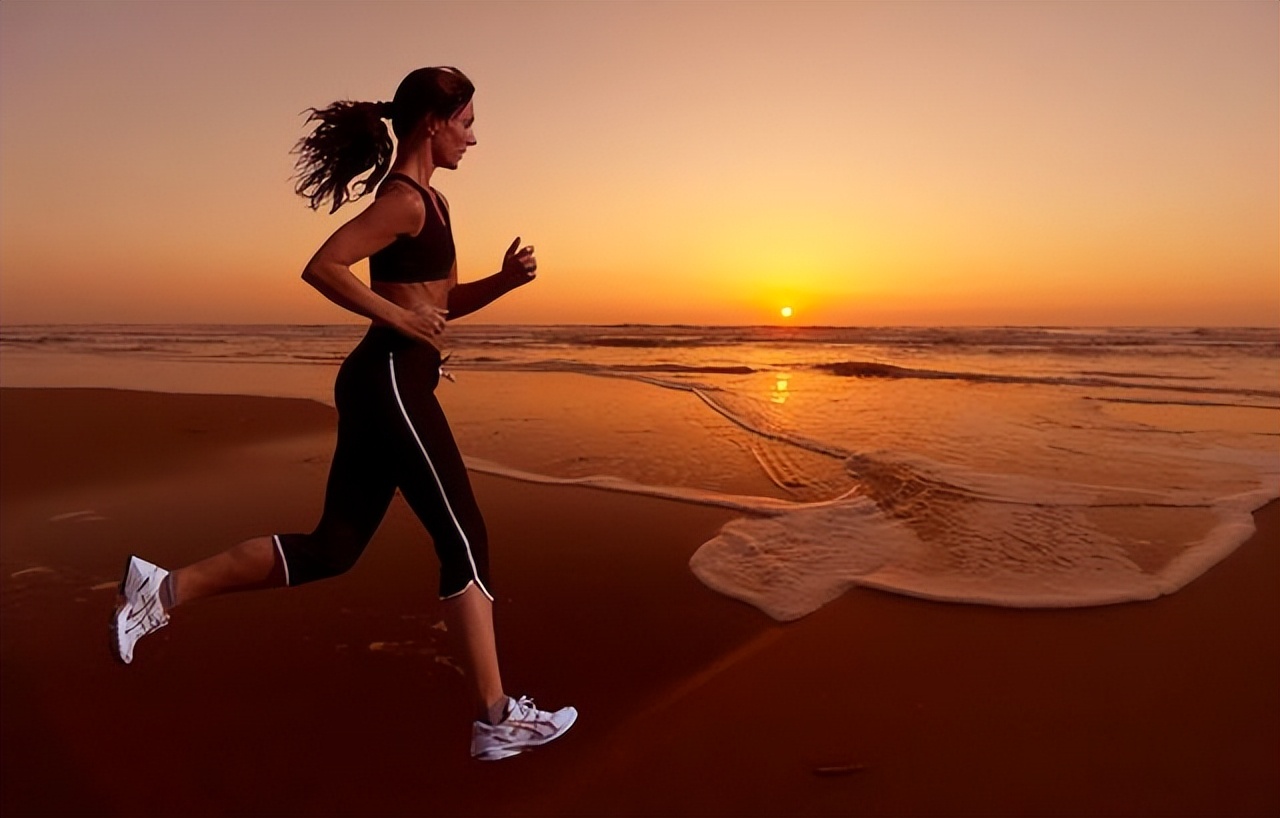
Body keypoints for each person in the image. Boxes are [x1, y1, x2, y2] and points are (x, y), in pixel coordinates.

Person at [110, 66, 576, 762]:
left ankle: (161, 590)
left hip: (385, 383)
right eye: (468, 123)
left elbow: (438, 305)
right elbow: (324, 265)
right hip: (389, 381)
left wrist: (502, 283)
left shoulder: (435, 204)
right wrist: (398, 318)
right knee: (464, 536)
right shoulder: (404, 201)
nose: (474, 139)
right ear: (432, 123)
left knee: (332, 548)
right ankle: (494, 715)